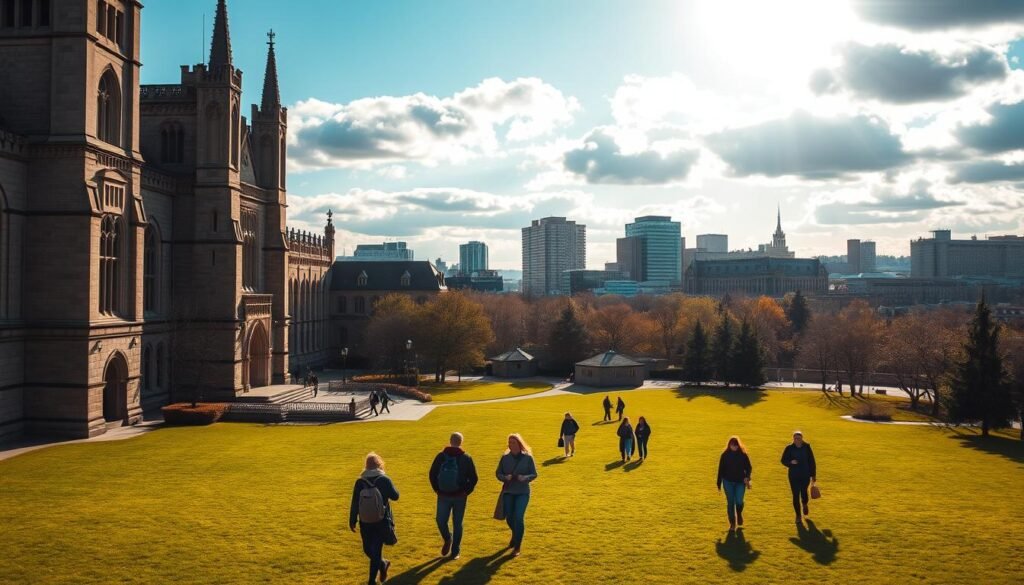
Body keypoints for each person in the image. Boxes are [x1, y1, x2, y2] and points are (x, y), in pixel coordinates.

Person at [349, 452, 400, 585]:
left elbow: (355, 502)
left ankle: (372, 580)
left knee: (373, 549)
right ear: (379, 464)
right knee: (369, 549)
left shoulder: (360, 481)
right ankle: (383, 563)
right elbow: (395, 496)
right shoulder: (384, 479)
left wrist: (352, 519)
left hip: (367, 520)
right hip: (381, 519)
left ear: (366, 465)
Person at [429, 432, 479, 560]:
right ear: (461, 442)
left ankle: (447, 538)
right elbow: (473, 478)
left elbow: (432, 474)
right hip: (459, 496)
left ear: (450, 441)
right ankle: (455, 550)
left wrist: (437, 489)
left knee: (440, 521)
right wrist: (466, 491)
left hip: (443, 495)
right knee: (458, 523)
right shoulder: (466, 457)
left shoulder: (440, 456)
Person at [495, 433, 538, 557]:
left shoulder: (528, 458)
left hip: (523, 492)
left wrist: (525, 477)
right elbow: (498, 473)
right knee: (509, 518)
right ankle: (516, 534)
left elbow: (534, 474)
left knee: (518, 517)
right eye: (509, 442)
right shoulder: (505, 458)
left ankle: (517, 546)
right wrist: (505, 477)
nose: (510, 444)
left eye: (513, 442)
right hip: (509, 491)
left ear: (519, 444)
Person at [717, 436, 753, 531]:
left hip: (740, 482)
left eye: (736, 445)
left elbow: (749, 467)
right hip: (727, 481)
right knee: (730, 502)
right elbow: (720, 469)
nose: (735, 447)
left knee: (739, 501)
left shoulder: (743, 455)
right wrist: (718, 483)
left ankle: (739, 514)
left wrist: (747, 477)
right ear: (729, 445)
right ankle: (732, 524)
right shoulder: (724, 455)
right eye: (733, 445)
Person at [781, 430, 817, 524]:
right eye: (795, 438)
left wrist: (813, 475)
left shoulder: (807, 447)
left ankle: (804, 504)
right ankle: (798, 515)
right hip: (793, 476)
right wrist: (790, 463)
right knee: (795, 495)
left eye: (799, 438)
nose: (797, 440)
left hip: (805, 475)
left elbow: (812, 461)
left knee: (804, 492)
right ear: (793, 439)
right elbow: (783, 460)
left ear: (802, 439)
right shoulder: (789, 448)